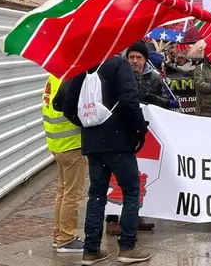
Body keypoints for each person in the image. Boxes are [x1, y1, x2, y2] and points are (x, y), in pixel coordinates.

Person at [63, 56, 151, 265]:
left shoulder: (81, 66)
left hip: (93, 144)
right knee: (131, 191)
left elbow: (67, 107)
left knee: (97, 194)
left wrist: (89, 124)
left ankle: (91, 250)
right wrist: (140, 130)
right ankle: (127, 247)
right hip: (119, 141)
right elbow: (130, 101)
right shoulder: (119, 65)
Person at [105, 41, 163, 235]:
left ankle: (133, 216)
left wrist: (155, 101)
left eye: (139, 58)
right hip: (120, 134)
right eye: (132, 57)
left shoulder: (155, 78)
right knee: (115, 177)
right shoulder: (117, 75)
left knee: (138, 176)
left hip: (144, 134)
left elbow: (165, 102)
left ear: (145, 60)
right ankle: (112, 218)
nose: (135, 61)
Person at [43, 75, 86, 253]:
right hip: (71, 143)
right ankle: (66, 238)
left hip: (57, 143)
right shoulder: (70, 77)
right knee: (72, 193)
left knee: (63, 191)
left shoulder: (53, 77)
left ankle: (58, 234)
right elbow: (68, 107)